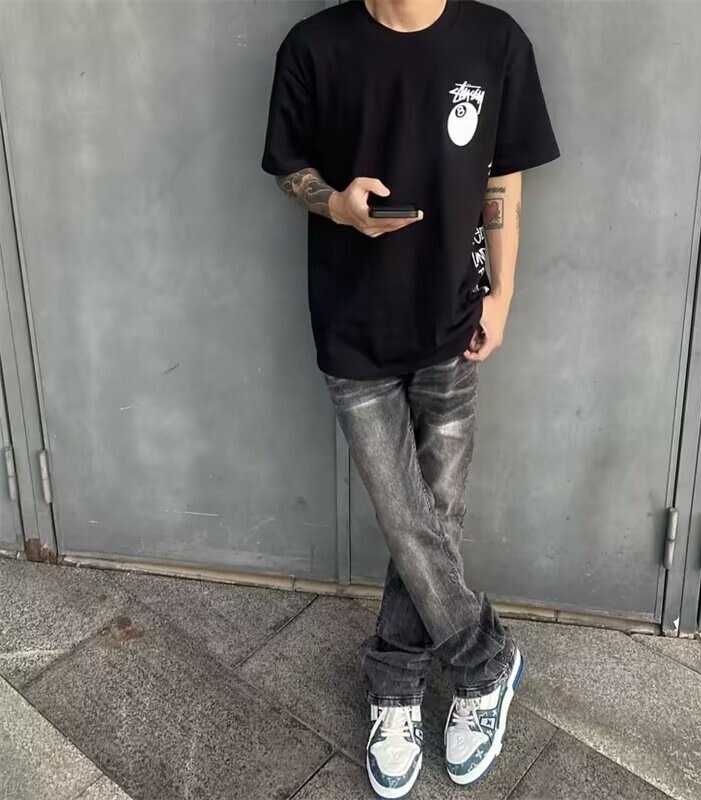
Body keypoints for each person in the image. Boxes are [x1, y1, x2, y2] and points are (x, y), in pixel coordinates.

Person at [261, 0, 559, 795]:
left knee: (434, 520)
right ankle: (485, 659)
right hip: (352, 330)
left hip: (452, 323)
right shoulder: (313, 46)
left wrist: (502, 295)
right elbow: (291, 169)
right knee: (406, 514)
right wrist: (335, 203)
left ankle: (395, 685)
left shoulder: (495, 41)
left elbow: (502, 177)